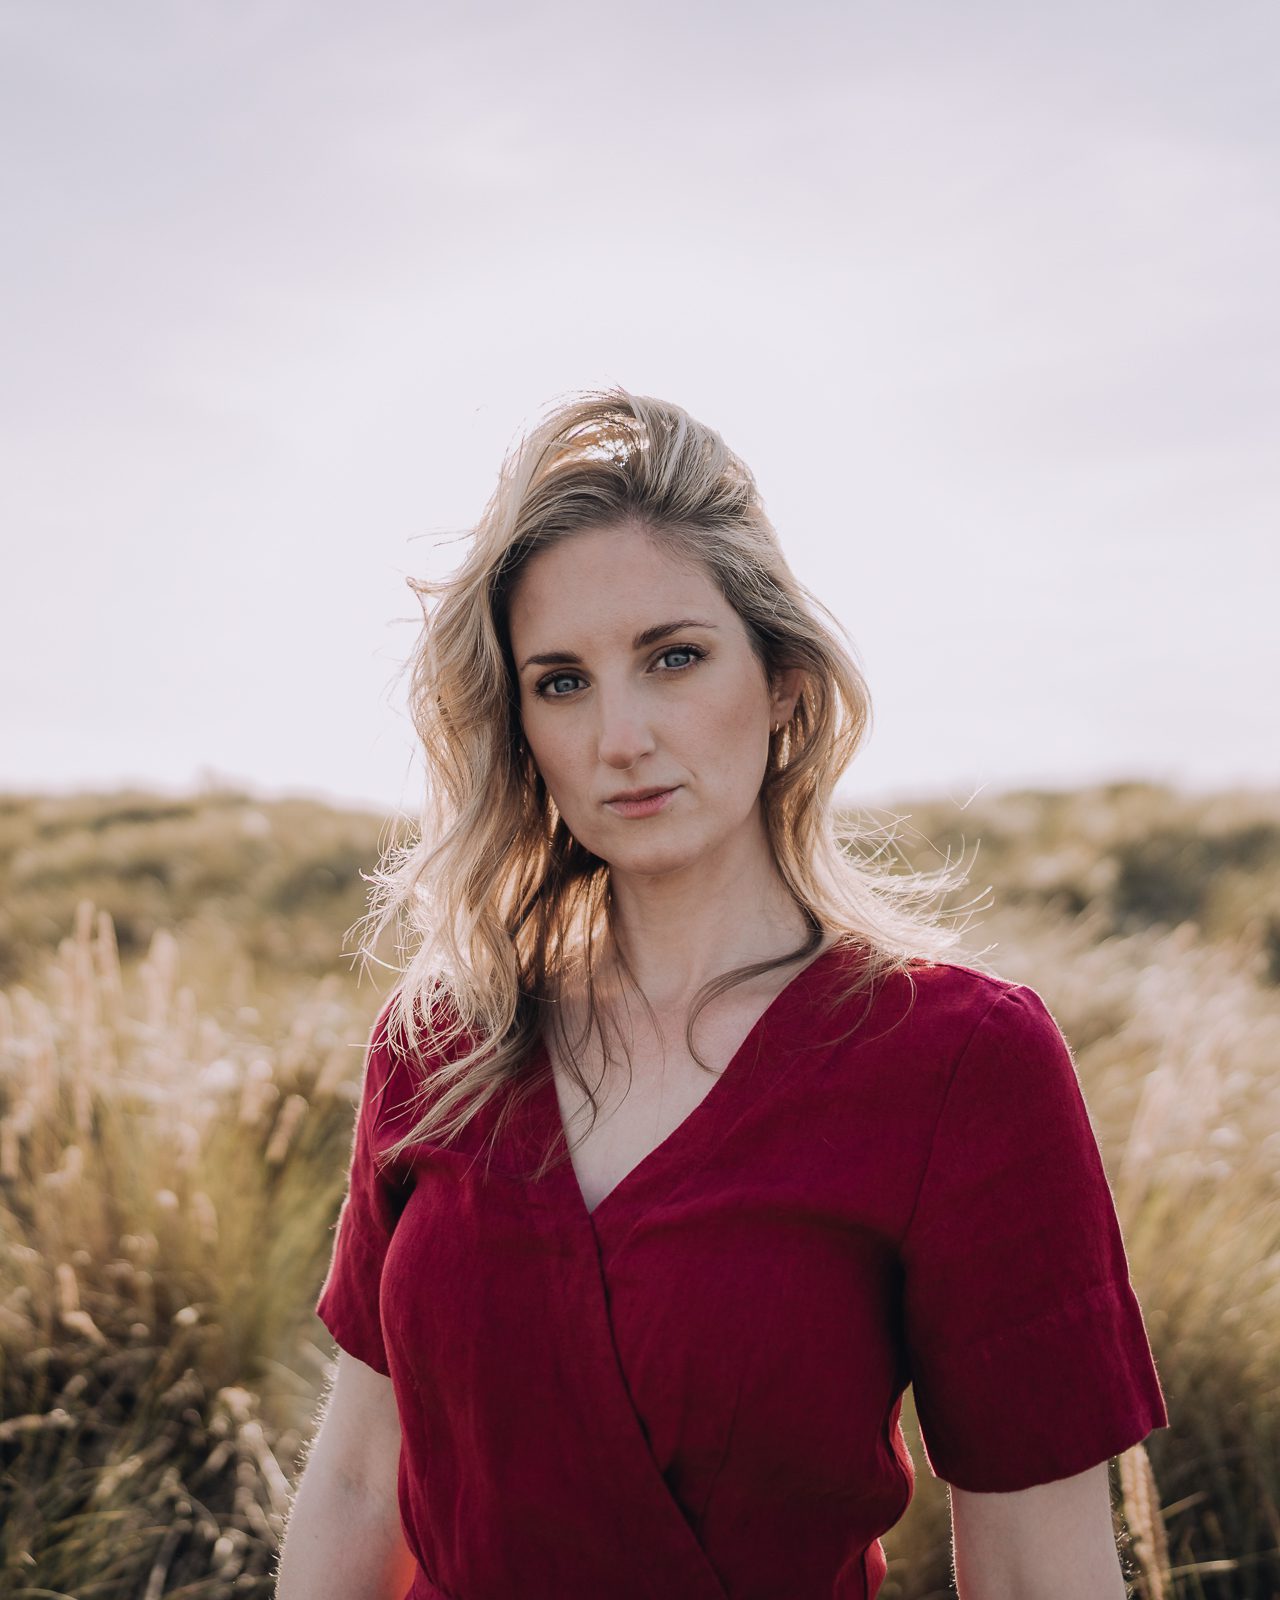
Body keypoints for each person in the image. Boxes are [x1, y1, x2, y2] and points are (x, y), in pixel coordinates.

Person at [277, 388, 1168, 1600]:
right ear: (517, 725)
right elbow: (356, 1480)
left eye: (673, 657)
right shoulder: (443, 1041)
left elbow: (1032, 1571)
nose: (620, 736)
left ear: (784, 682)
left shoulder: (959, 1063)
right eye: (561, 681)